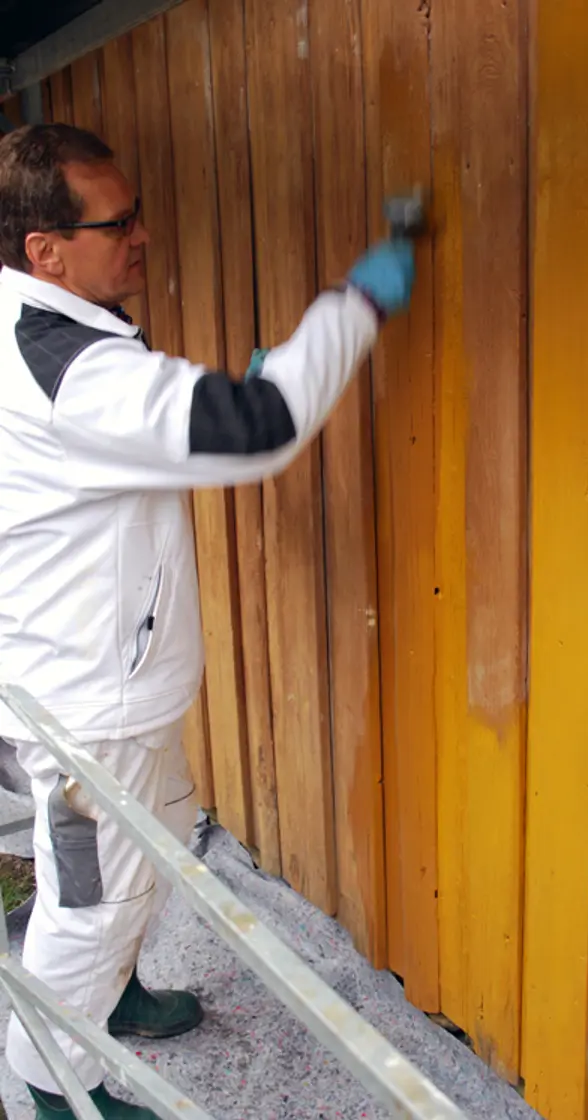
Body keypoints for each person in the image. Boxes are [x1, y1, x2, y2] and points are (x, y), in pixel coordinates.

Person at [0, 123, 415, 1120]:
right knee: (91, 903)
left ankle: (116, 991)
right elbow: (260, 426)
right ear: (44, 251)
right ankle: (52, 1086)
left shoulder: (41, 330)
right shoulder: (73, 376)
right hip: (93, 707)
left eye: (137, 209)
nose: (142, 234)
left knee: (156, 843)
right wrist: (351, 306)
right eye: (118, 222)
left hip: (93, 667)